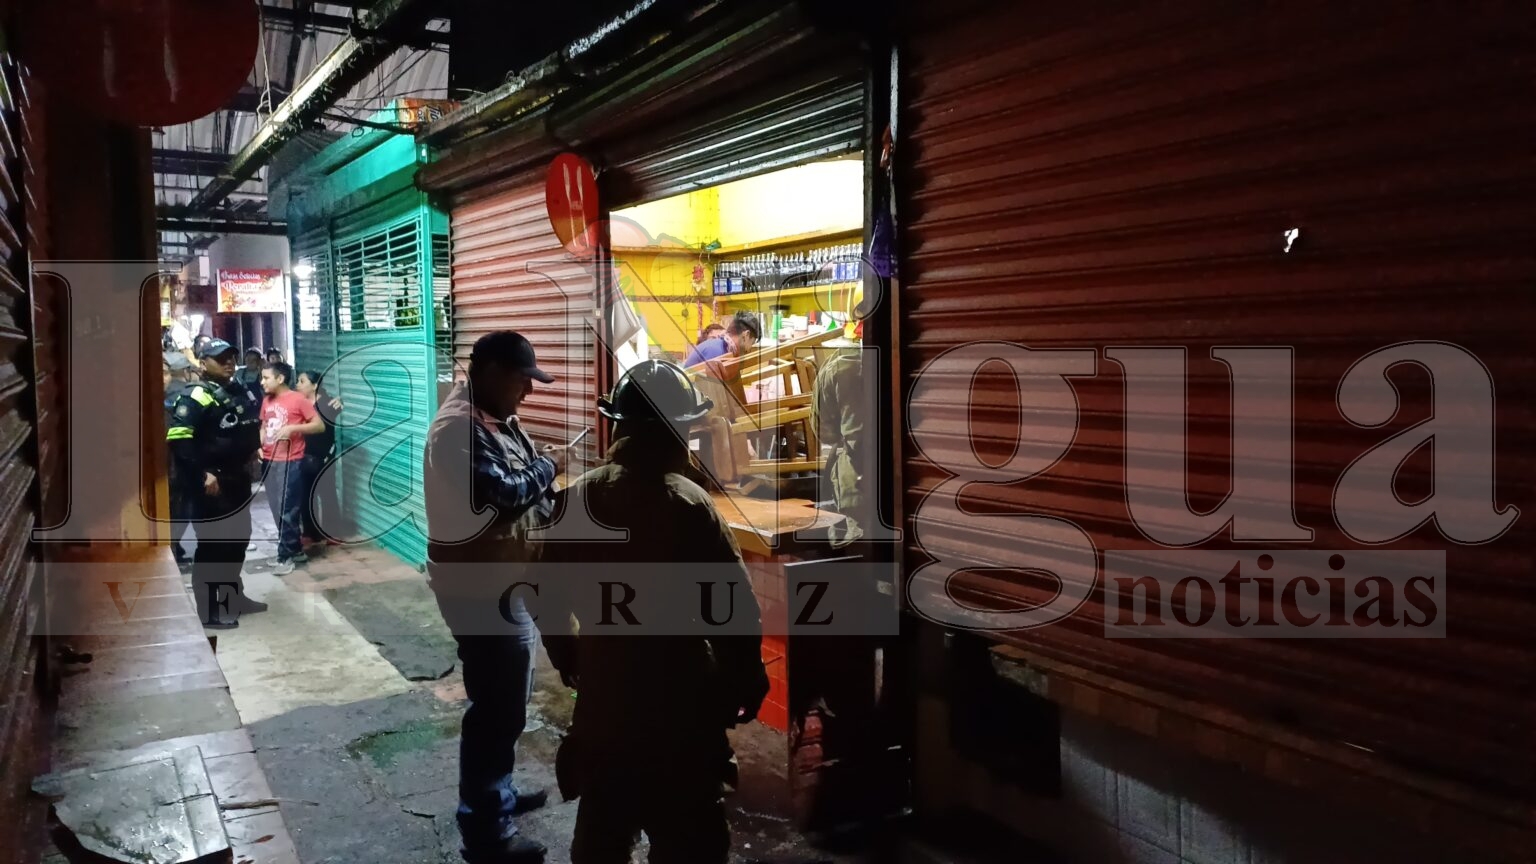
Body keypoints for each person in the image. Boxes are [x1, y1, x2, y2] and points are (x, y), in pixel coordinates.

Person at [540, 360, 769, 864]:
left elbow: (545, 593)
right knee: (690, 841)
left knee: (602, 833)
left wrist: (569, 655)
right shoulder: (688, 502)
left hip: (605, 697)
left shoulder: (578, 498)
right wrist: (746, 678)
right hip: (680, 702)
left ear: (617, 426)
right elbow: (731, 606)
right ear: (680, 430)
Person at [423, 331, 572, 864]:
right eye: (520, 381)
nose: (527, 394)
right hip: (477, 588)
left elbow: (529, 493)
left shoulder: (495, 421)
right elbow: (507, 493)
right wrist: (549, 466)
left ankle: (497, 796)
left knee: (508, 701)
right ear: (485, 372)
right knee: (495, 710)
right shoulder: (457, 431)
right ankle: (485, 832)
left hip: (502, 581)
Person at [166, 338, 268, 628]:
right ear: (203, 363)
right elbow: (180, 441)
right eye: (220, 358)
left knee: (238, 540)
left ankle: (234, 598)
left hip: (237, 477)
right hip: (211, 482)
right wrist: (202, 474)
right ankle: (209, 611)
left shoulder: (236, 389)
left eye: (231, 357)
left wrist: (251, 450)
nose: (228, 362)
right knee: (214, 546)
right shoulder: (195, 396)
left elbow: (244, 426)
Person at [259, 361, 323, 575]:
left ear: (280, 378)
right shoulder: (267, 400)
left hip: (290, 461)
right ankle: (295, 551)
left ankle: (285, 556)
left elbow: (319, 425)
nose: (262, 382)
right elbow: (264, 425)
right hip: (269, 460)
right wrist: (260, 445)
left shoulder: (298, 399)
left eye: (266, 377)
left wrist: (293, 428)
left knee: (288, 509)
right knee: (277, 509)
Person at [295, 369, 346, 545]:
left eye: (302, 382)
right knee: (305, 496)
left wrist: (340, 404)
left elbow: (337, 410)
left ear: (315, 385)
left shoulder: (328, 403)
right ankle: (310, 532)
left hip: (324, 458)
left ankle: (332, 532)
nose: (298, 385)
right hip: (302, 456)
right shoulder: (298, 404)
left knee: (327, 494)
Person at [163, 350, 196, 568]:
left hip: (175, 466)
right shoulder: (182, 394)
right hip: (175, 467)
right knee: (180, 511)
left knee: (179, 511)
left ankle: (176, 549)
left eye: (165, 373)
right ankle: (173, 550)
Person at [683, 310, 759, 367]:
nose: (749, 350)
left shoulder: (723, 347)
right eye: (752, 343)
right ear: (746, 335)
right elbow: (712, 387)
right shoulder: (716, 351)